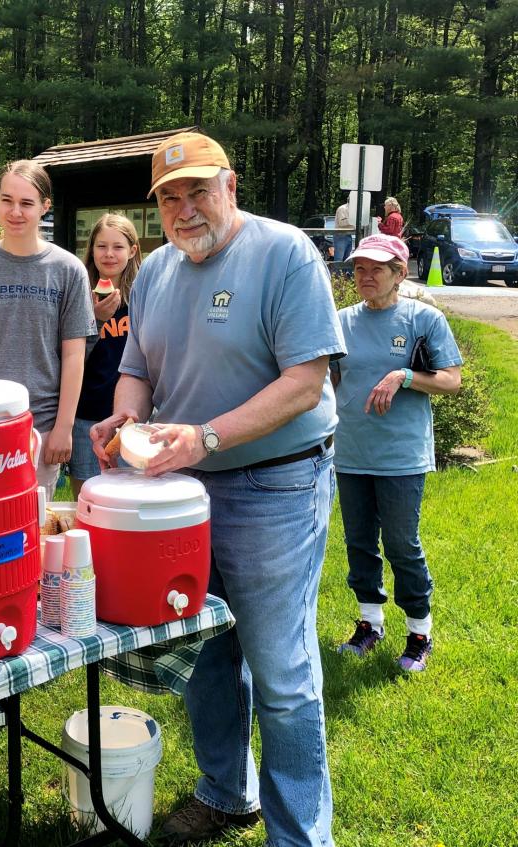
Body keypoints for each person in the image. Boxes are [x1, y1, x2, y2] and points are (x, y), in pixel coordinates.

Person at [90, 131, 345, 847]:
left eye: (197, 190)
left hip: (277, 485)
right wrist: (128, 413)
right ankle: (227, 792)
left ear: (230, 185)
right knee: (203, 651)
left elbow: (306, 382)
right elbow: (138, 365)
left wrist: (203, 436)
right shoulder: (159, 271)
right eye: (169, 197)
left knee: (282, 670)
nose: (183, 208)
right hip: (187, 490)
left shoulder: (283, 252)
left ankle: (300, 835)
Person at [330, 234, 462, 672]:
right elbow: (327, 381)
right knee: (359, 543)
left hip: (401, 456)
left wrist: (404, 375)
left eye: (377, 269)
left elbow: (450, 381)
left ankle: (419, 632)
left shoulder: (424, 319)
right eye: (360, 269)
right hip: (350, 451)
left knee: (402, 544)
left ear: (399, 274)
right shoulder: (341, 321)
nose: (366, 277)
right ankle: (370, 624)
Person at [0, 160, 97, 492]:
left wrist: (64, 427)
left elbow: (73, 356)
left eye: (26, 203)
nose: (15, 212)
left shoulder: (68, 270)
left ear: (45, 207)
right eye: (7, 200)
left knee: (30, 527)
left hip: (38, 427)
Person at [70, 213, 142, 497]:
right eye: (101, 246)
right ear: (91, 250)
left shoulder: (143, 295)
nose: (109, 254)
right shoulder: (78, 294)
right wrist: (95, 321)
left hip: (134, 419)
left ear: (132, 250)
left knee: (133, 500)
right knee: (88, 500)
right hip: (86, 417)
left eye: (118, 247)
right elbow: (68, 358)